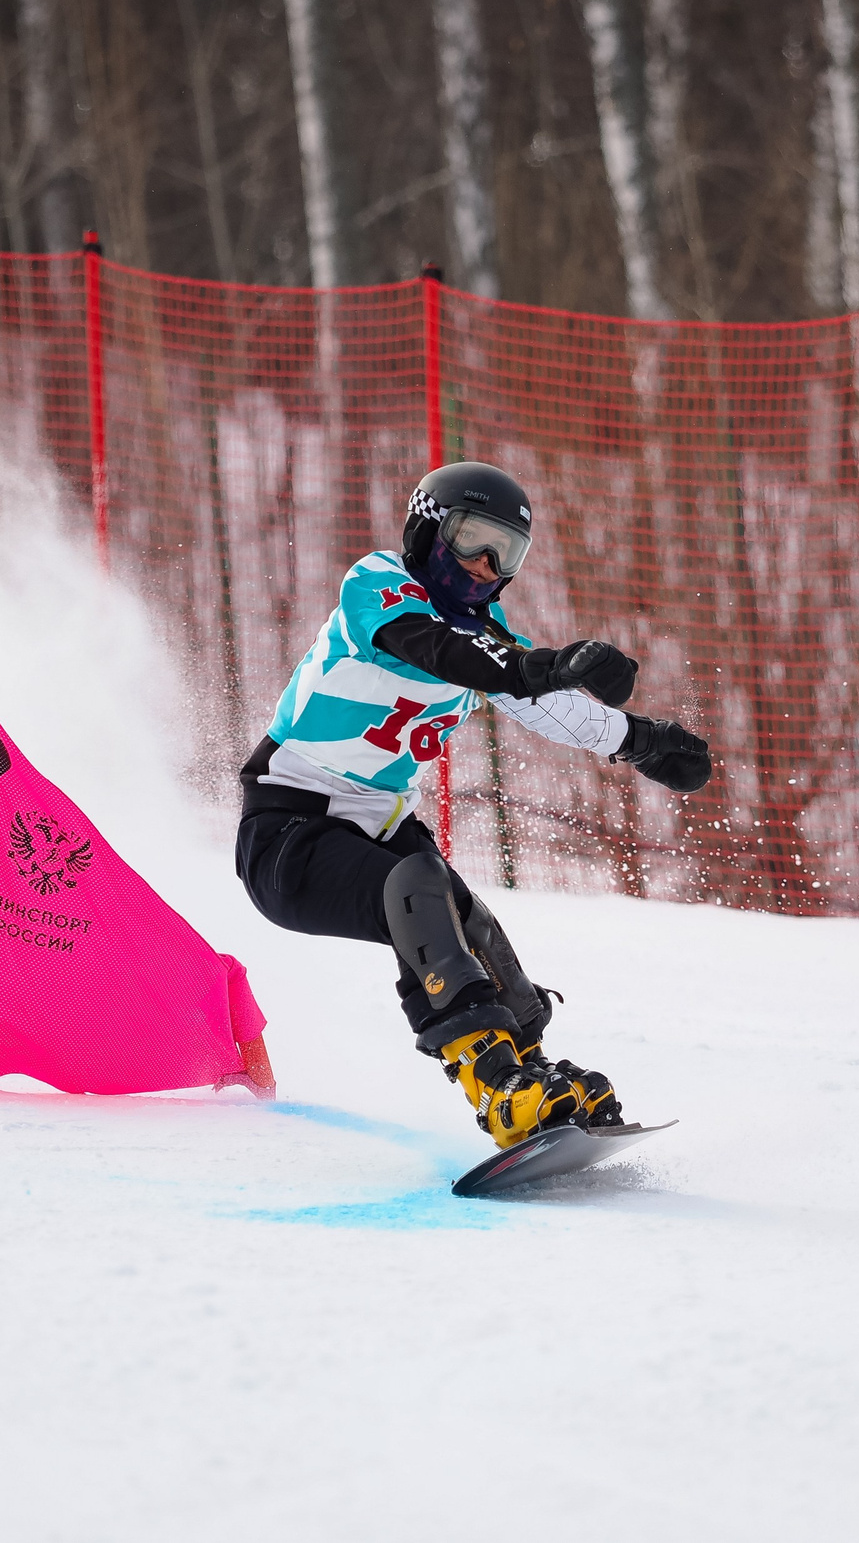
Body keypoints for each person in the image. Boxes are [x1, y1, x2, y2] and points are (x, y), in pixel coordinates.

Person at [235, 462, 713, 1147]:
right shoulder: (376, 583)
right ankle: (494, 1085)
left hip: (375, 823)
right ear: (429, 530)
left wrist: (640, 740)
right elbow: (436, 650)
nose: (486, 565)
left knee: (468, 921)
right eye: (472, 540)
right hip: (287, 833)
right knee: (419, 885)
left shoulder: (486, 632)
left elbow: (536, 698)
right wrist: (540, 664)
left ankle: (532, 1072)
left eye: (505, 553)